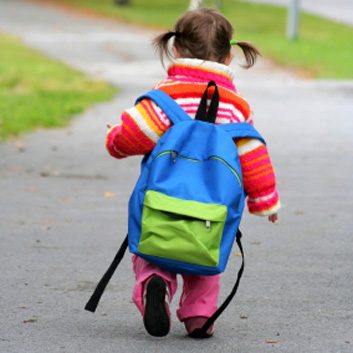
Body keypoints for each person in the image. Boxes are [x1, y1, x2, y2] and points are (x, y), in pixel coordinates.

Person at [106, 8, 280, 338]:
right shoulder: (235, 106)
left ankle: (154, 282)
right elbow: (252, 152)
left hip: (162, 197)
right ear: (229, 57)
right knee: (205, 252)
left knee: (154, 245)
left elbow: (132, 136)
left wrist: (114, 139)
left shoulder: (165, 96)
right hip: (211, 207)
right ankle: (200, 315)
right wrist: (265, 201)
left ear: (175, 49)